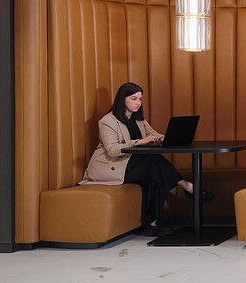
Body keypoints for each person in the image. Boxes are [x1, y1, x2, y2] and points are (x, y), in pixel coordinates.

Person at [80, 82, 213, 236]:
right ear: (122, 99)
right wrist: (139, 142)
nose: (138, 103)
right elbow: (112, 150)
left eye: (140, 99)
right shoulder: (107, 121)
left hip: (134, 164)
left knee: (154, 175)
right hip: (112, 166)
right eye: (134, 98)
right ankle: (189, 187)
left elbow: (154, 134)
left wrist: (165, 138)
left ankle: (152, 223)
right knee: (152, 163)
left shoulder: (139, 120)